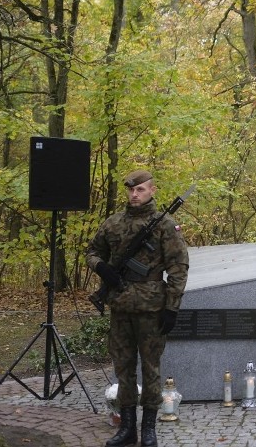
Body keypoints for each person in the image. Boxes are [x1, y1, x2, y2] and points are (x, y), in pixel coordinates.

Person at [87, 170, 189, 447]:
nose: (135, 194)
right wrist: (103, 269)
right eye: (131, 190)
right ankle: (128, 428)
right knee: (124, 368)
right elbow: (92, 252)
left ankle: (149, 429)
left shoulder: (165, 225)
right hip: (120, 307)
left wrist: (172, 307)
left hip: (151, 309)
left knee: (151, 368)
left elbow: (178, 268)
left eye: (141, 189)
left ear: (152, 190)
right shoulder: (113, 223)